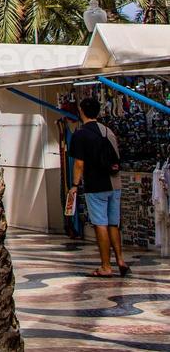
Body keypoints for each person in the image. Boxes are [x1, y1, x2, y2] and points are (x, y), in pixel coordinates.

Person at [71, 96, 129, 277]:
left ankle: (106, 266)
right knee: (113, 223)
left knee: (100, 224)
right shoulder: (107, 131)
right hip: (114, 183)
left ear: (81, 111)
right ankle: (120, 260)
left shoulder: (80, 134)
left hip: (96, 185)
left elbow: (79, 164)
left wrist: (74, 185)